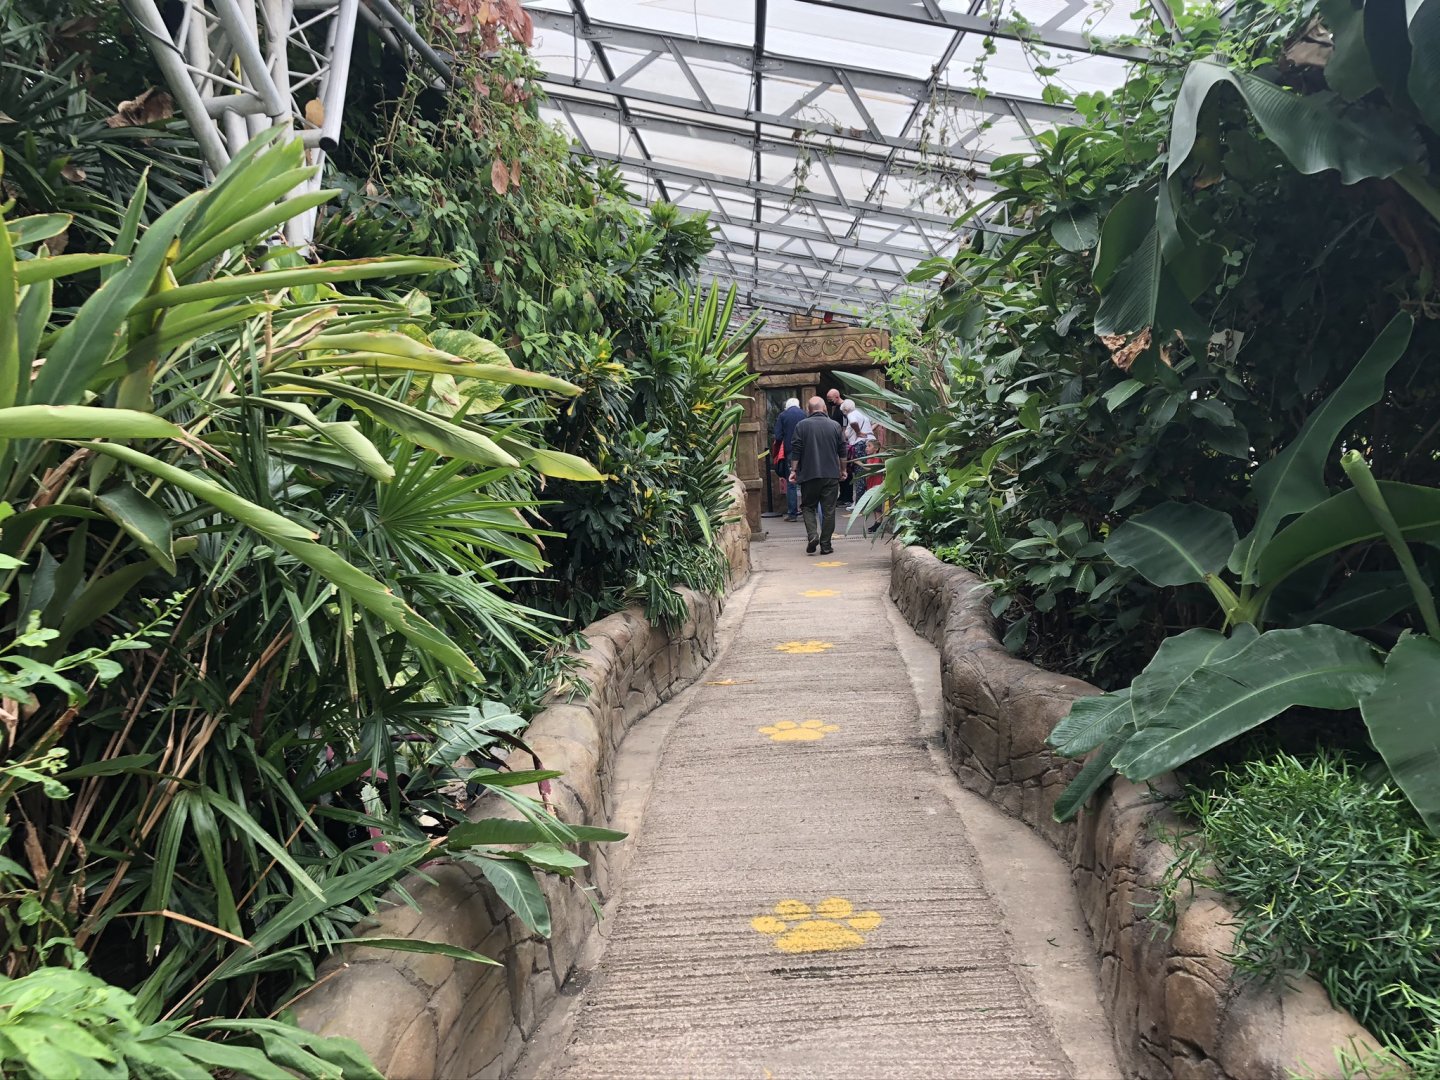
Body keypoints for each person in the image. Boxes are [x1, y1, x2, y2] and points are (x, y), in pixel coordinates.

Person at [789, 396, 847, 555]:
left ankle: (813, 535)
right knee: (829, 510)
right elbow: (843, 450)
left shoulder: (801, 426)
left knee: (808, 507)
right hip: (831, 475)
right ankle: (826, 545)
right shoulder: (835, 426)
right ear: (824, 409)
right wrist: (843, 470)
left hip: (809, 474)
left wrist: (793, 471)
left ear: (808, 410)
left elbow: (796, 450)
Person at [771, 397, 805, 522]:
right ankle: (807, 510)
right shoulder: (804, 414)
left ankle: (792, 514)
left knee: (791, 483)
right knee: (805, 481)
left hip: (790, 452)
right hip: (805, 452)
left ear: (787, 406)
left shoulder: (783, 415)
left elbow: (778, 436)